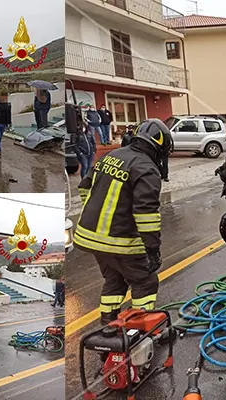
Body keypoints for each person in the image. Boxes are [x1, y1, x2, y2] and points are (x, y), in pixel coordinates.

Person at [74, 119, 172, 325]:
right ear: (158, 146)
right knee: (144, 281)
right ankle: (140, 327)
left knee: (115, 279)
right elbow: (146, 214)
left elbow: (84, 187)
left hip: (89, 237)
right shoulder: (146, 168)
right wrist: (153, 250)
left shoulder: (111, 156)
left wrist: (96, 214)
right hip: (118, 241)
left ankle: (108, 324)